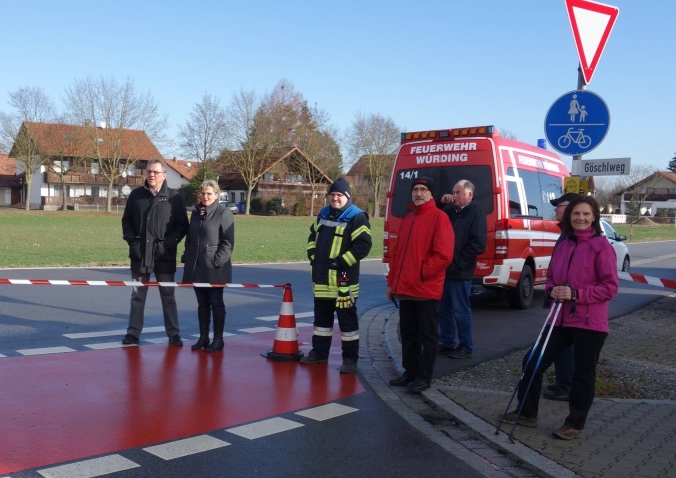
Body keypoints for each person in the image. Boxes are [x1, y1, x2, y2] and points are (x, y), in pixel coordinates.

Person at [501, 196, 619, 440]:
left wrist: (576, 294)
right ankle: (527, 412)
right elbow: (552, 278)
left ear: (594, 217)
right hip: (560, 318)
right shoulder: (563, 244)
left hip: (590, 321)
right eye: (576, 213)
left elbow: (610, 287)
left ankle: (575, 423)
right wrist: (551, 290)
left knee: (582, 374)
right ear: (569, 217)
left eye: (586, 214)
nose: (580, 218)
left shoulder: (601, 246)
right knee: (532, 362)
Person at [387, 176, 454, 393]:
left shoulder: (439, 218)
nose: (418, 193)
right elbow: (397, 255)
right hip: (406, 288)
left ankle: (424, 377)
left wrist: (421, 274)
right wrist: (392, 283)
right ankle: (410, 371)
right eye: (415, 189)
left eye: (423, 190)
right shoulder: (408, 219)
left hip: (425, 289)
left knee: (428, 335)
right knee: (408, 334)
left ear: (431, 194)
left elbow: (444, 255)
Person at [301, 177, 372, 374]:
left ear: (347, 197)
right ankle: (319, 353)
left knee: (348, 325)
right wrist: (312, 254)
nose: (335, 198)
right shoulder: (323, 213)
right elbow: (312, 236)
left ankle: (350, 359)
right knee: (321, 323)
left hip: (343, 283)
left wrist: (341, 262)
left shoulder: (357, 217)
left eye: (339, 195)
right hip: (322, 280)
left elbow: (363, 246)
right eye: (332, 195)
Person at [121, 159, 189, 346]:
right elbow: (126, 221)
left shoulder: (175, 197)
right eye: (149, 171)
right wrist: (133, 241)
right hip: (140, 254)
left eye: (155, 172)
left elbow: (182, 226)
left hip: (164, 256)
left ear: (164, 176)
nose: (151, 175)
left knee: (168, 295)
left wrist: (167, 245)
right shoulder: (136, 195)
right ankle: (133, 334)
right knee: (137, 296)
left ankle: (173, 333)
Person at [182, 179, 235, 352]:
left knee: (216, 302)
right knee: (202, 304)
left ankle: (218, 339)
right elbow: (190, 238)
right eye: (203, 193)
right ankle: (203, 337)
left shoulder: (224, 213)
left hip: (214, 267)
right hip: (197, 266)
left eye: (209, 194)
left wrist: (217, 261)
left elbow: (228, 241)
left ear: (216, 195)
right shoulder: (196, 212)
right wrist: (187, 255)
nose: (205, 196)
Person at [437, 180, 487, 359]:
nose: (454, 195)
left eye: (458, 192)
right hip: (444, 269)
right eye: (453, 192)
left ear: (469, 194)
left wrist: (460, 263)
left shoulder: (476, 215)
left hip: (460, 271)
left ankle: (465, 346)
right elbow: (432, 216)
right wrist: (440, 202)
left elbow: (478, 244)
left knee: (460, 310)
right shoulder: (448, 211)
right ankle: (446, 342)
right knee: (443, 309)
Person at [543, 192, 580, 401]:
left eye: (560, 205)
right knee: (561, 346)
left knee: (565, 347)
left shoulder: (572, 236)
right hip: (559, 298)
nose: (556, 209)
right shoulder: (565, 233)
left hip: (568, 303)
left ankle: (566, 386)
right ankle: (563, 382)